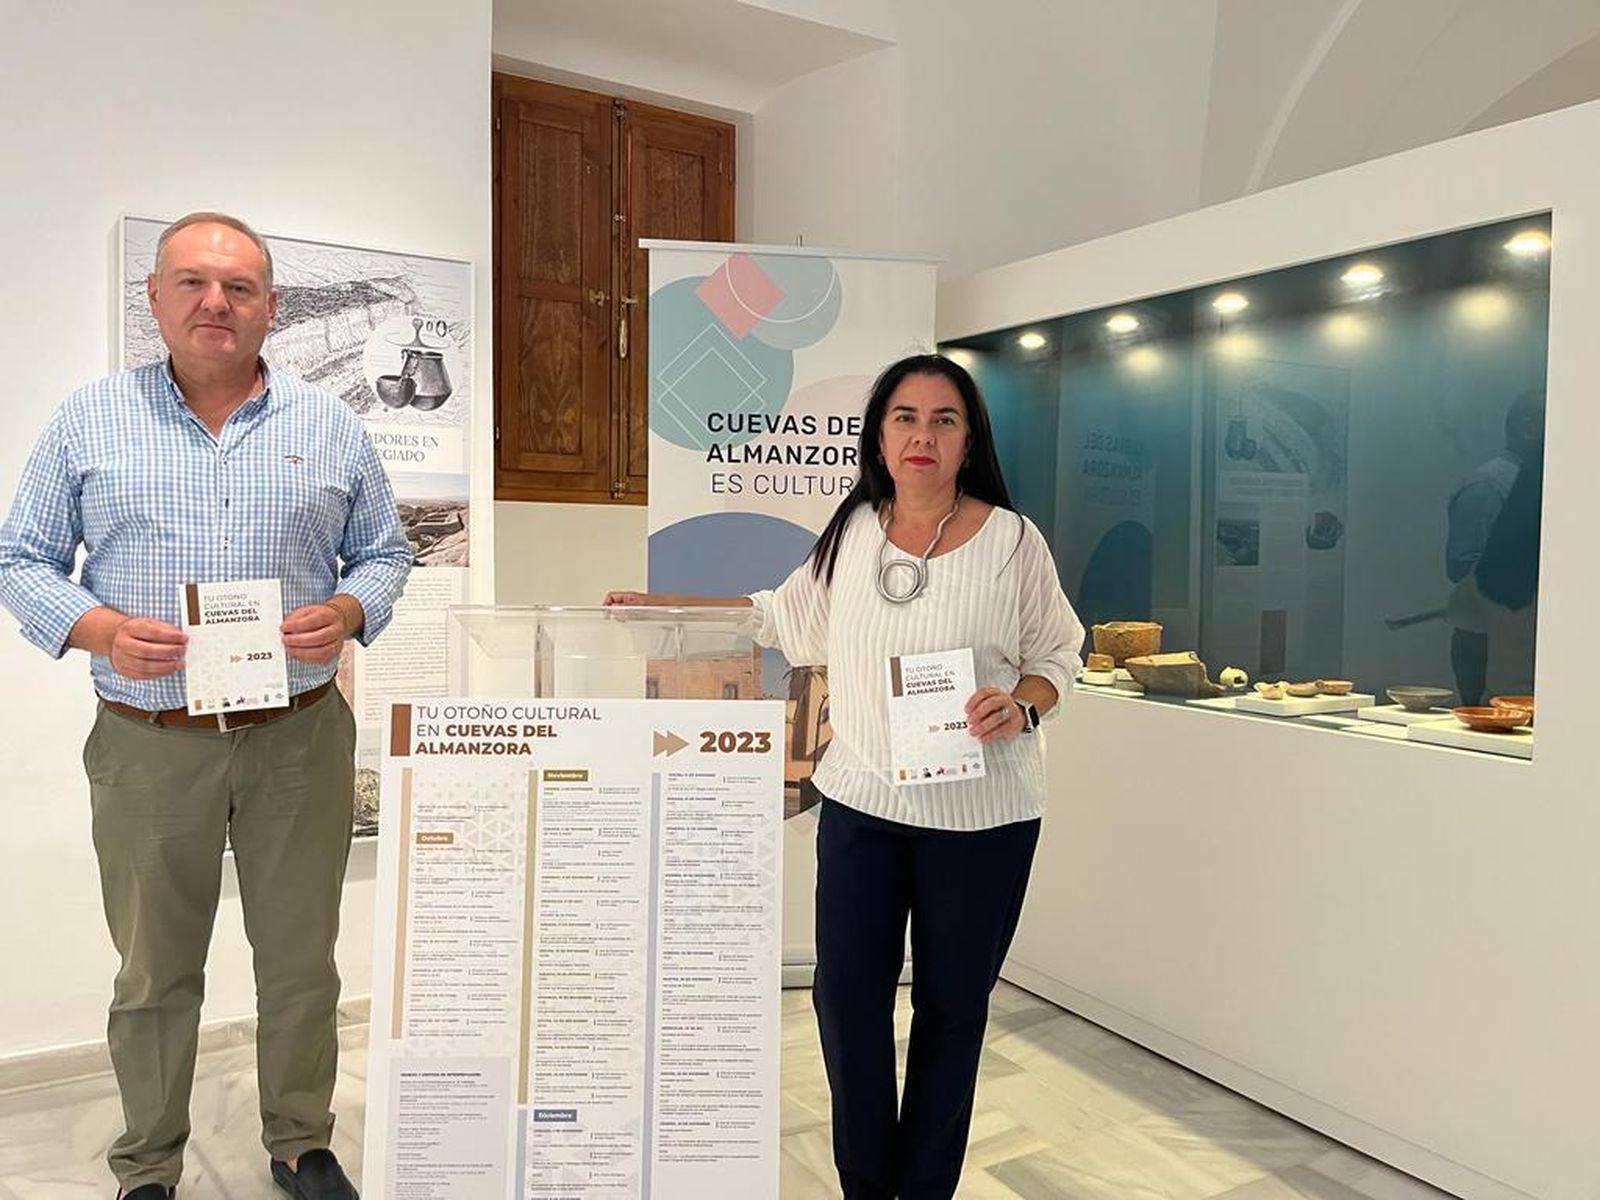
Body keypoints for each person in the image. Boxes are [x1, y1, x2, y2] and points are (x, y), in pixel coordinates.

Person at [0, 212, 412, 1200]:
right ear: (156, 297)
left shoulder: (330, 426)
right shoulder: (89, 419)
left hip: (298, 737)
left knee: (302, 962)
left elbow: (387, 553)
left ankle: (301, 1142)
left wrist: (349, 610)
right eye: (192, 282)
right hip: (149, 740)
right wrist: (99, 628)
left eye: (238, 287)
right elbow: (20, 559)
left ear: (272, 305)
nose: (215, 303)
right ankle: (148, 1162)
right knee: (153, 968)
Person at [606, 353, 1084, 1199]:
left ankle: (924, 1187)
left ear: (969, 439)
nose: (923, 435)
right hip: (865, 804)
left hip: (984, 818)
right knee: (847, 1001)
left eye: (943, 419)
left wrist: (1022, 705)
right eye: (905, 417)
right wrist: (667, 607)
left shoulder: (1013, 541)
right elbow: (778, 614)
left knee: (952, 1009)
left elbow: (1057, 655)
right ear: (880, 436)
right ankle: (866, 1183)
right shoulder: (854, 528)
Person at [1444, 389, 1543, 704]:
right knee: (1490, 721)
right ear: (1528, 426)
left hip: (1529, 637)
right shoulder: (1487, 486)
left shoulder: (1544, 482)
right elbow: (1462, 565)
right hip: (1488, 639)